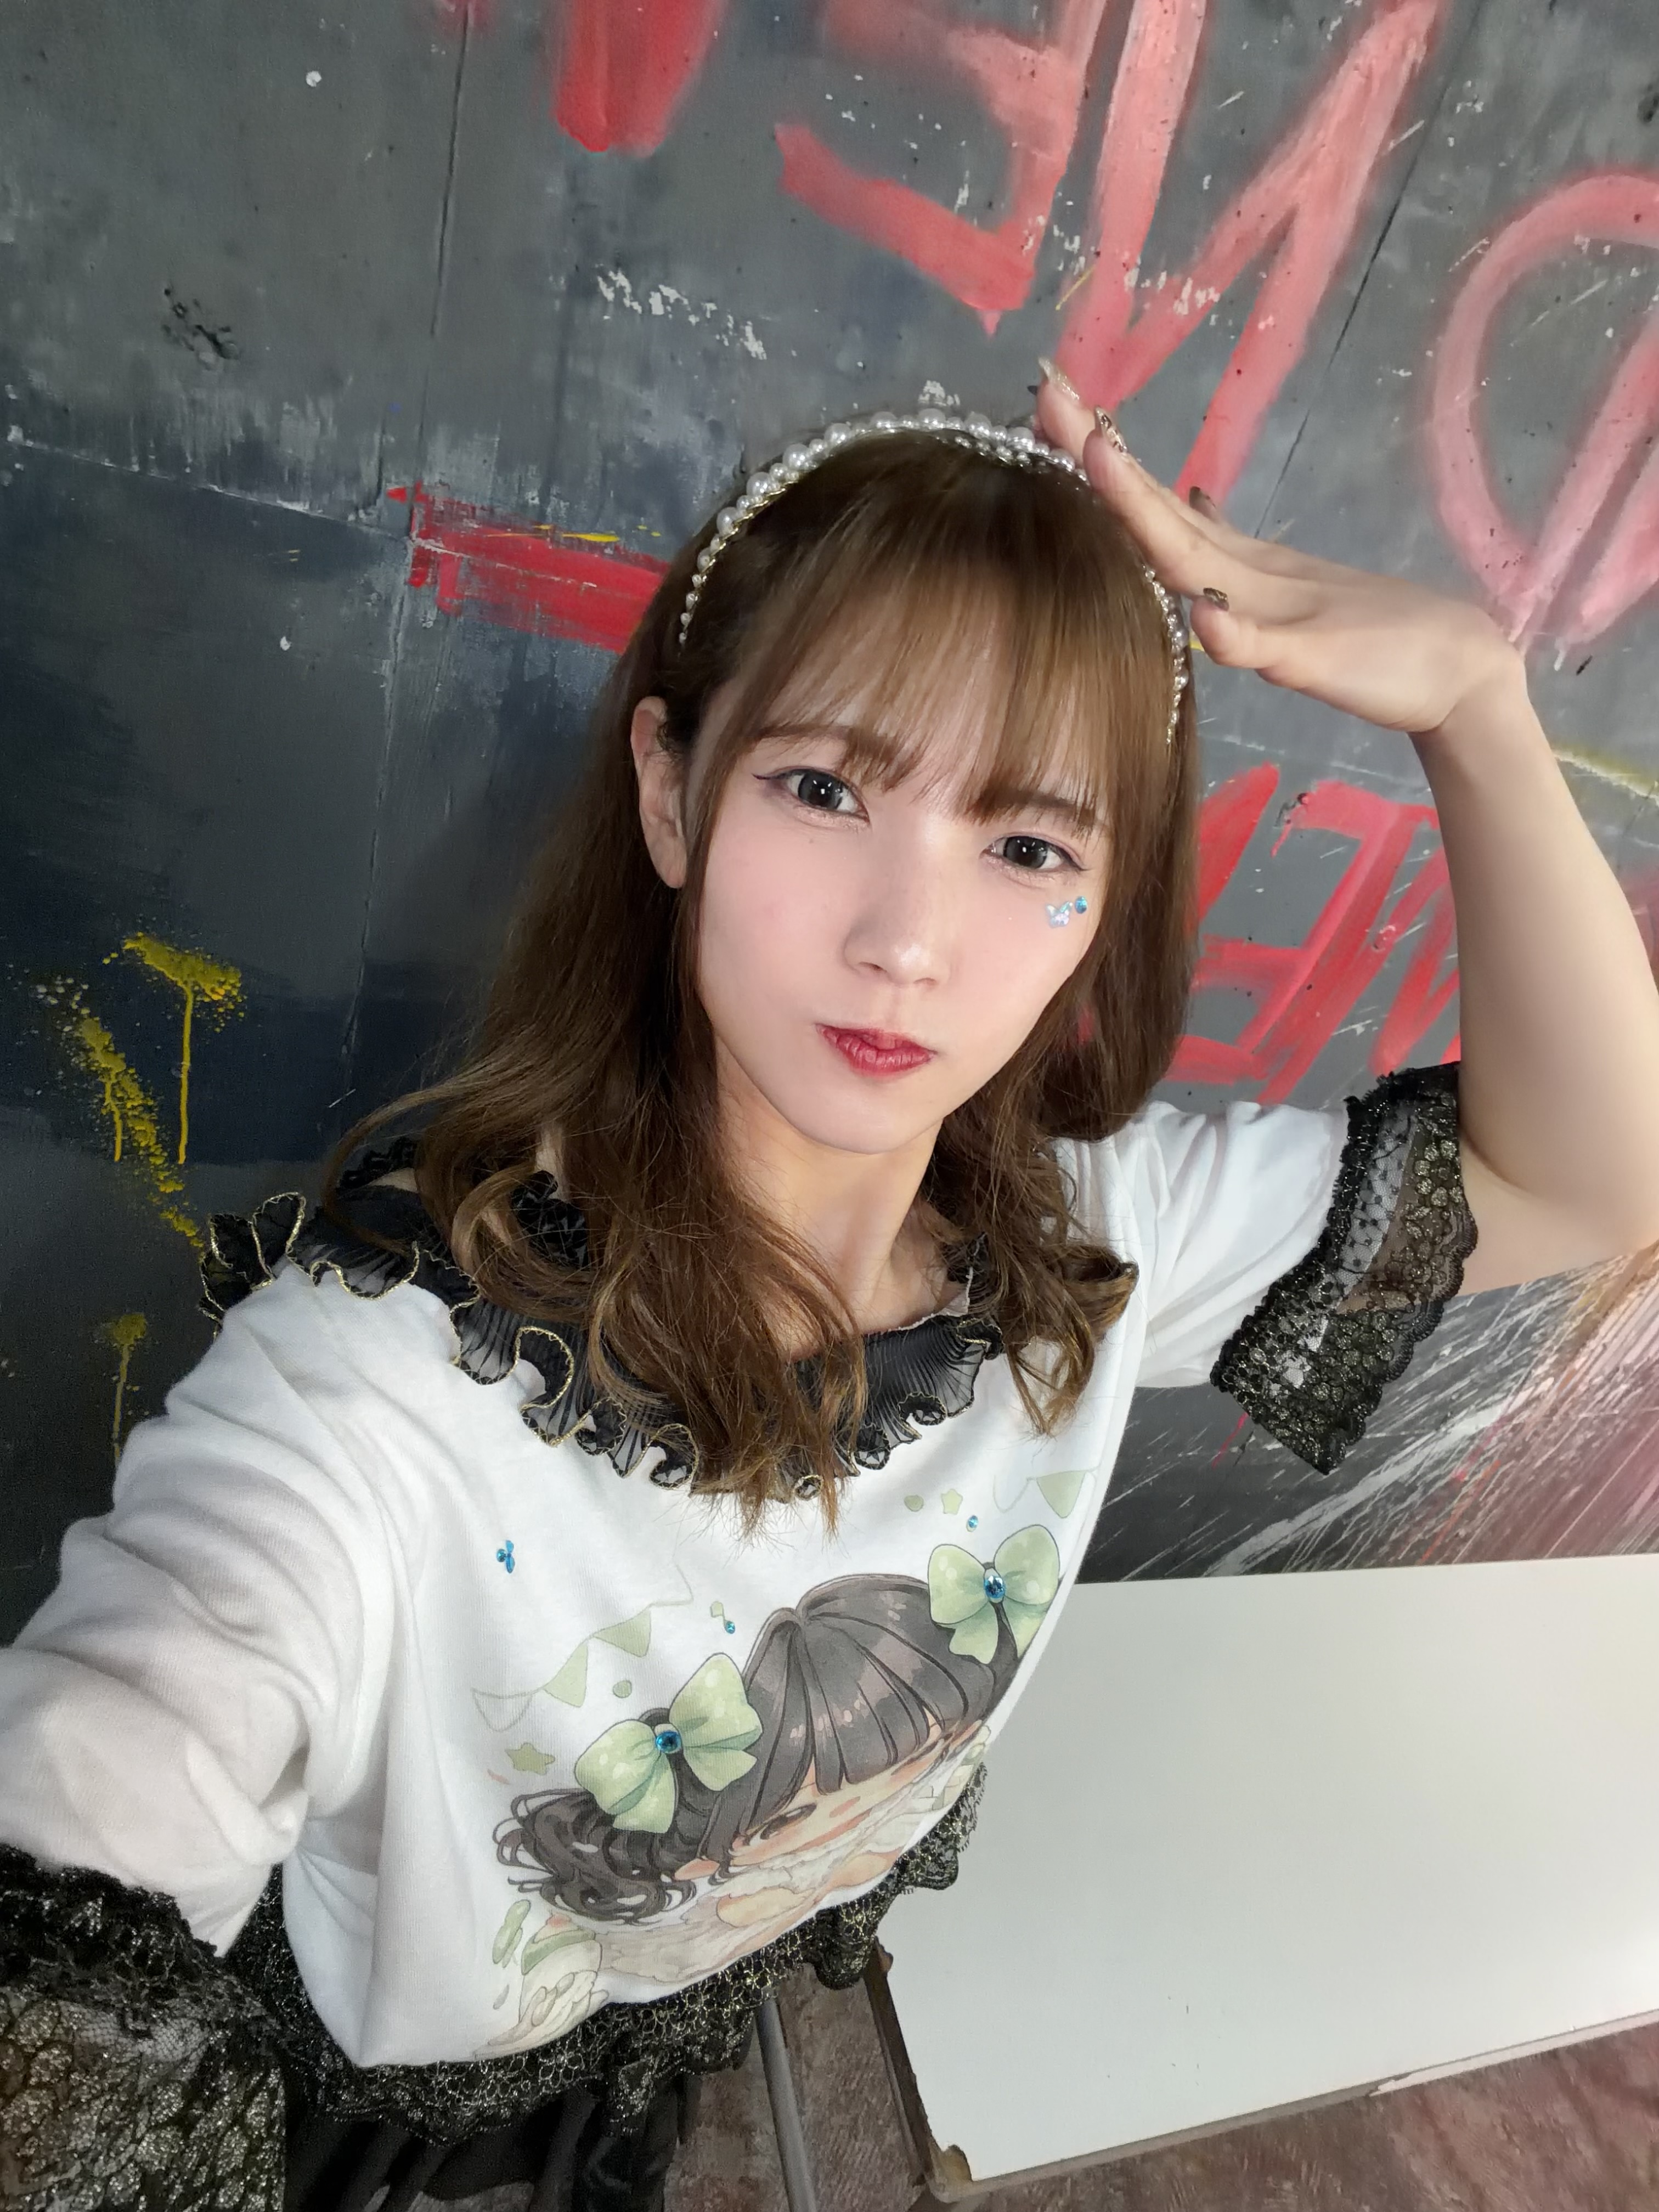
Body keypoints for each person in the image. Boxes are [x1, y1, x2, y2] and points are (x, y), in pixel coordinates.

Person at [4, 368, 1657, 2212]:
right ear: (670, 794)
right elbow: (124, 1750)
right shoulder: (384, 1389)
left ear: (1103, 909)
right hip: (401, 2115)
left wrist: (1478, 705)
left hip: (658, 2040)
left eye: (1027, 845)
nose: (906, 939)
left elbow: (1590, 1177)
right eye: (822, 787)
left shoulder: (1090, 1248)